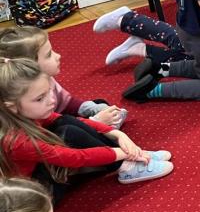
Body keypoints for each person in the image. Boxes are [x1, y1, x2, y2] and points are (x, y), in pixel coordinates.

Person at [0, 58, 172, 201]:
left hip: (45, 171)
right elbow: (75, 157)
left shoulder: (27, 114)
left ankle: (129, 159)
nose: (51, 100)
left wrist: (118, 135)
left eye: (49, 92)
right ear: (11, 107)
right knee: (69, 133)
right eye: (40, 98)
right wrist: (124, 153)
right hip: (39, 196)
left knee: (66, 121)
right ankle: (126, 164)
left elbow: (74, 120)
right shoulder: (16, 141)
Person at [0, 27, 126, 129]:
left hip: (57, 118)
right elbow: (46, 132)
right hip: (48, 136)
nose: (58, 56)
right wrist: (95, 122)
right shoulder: (25, 99)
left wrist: (94, 109)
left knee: (99, 103)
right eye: (49, 55)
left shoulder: (46, 79)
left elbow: (66, 103)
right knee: (69, 129)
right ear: (29, 65)